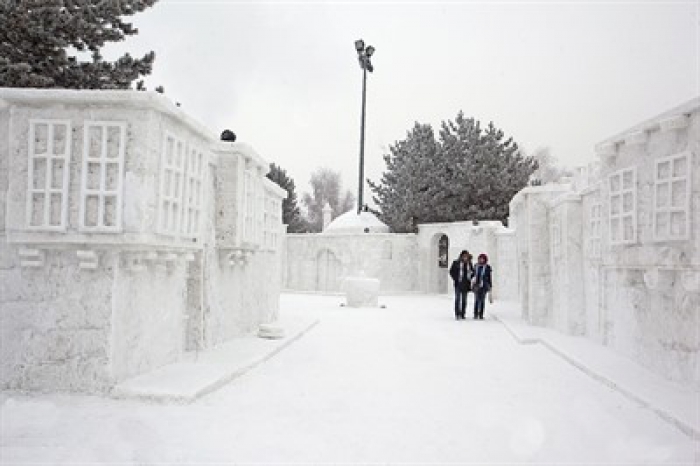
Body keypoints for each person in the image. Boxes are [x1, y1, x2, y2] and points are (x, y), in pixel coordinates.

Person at [449, 250, 474, 320]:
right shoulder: (456, 263)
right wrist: (455, 278)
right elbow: (451, 271)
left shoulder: (469, 264)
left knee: (464, 300)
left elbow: (473, 272)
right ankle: (457, 313)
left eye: (466, 256)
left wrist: (471, 277)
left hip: (466, 284)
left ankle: (463, 313)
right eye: (464, 256)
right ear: (461, 256)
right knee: (457, 299)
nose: (465, 258)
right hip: (458, 283)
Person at [472, 253, 493, 320]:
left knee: (482, 300)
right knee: (477, 300)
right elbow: (472, 274)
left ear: (485, 259)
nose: (481, 260)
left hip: (484, 286)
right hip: (476, 285)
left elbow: (489, 277)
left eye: (483, 259)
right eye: (480, 258)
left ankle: (481, 314)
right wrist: (472, 279)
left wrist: (490, 286)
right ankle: (475, 314)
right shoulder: (476, 266)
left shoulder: (487, 267)